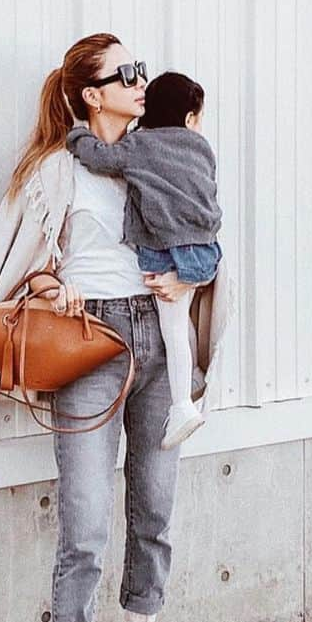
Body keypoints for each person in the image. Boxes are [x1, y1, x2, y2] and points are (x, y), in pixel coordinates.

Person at [0, 34, 235, 622]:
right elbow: (23, 268)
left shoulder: (158, 150)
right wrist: (50, 287)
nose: (142, 82)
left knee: (157, 509)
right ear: (89, 95)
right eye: (124, 75)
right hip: (90, 343)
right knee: (85, 524)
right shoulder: (57, 171)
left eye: (142, 70)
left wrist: (191, 283)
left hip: (158, 343)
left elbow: (205, 228)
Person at [64, 70, 222, 450]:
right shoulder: (201, 149)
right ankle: (186, 398)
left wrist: (76, 134)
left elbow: (99, 158)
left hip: (161, 252)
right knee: (177, 331)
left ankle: (183, 405)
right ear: (189, 119)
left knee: (171, 331)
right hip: (203, 249)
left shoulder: (141, 145)